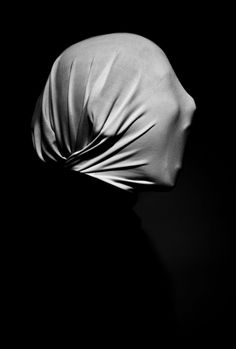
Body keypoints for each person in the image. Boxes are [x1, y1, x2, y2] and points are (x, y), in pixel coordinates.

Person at [30, 33, 196, 343]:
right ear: (90, 111)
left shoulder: (105, 231)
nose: (183, 104)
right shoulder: (104, 250)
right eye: (147, 90)